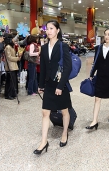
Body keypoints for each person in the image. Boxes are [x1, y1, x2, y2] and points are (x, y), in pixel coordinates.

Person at [34, 20, 72, 155]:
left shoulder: (63, 46)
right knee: (45, 112)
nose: (48, 31)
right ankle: (44, 141)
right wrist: (41, 85)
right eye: (47, 29)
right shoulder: (43, 48)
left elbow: (68, 68)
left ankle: (64, 133)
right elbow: (43, 68)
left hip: (60, 83)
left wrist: (61, 85)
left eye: (51, 28)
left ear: (57, 30)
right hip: (49, 83)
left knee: (64, 111)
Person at [86, 28, 109, 130]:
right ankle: (94, 120)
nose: (106, 36)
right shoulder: (98, 48)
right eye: (105, 34)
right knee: (97, 98)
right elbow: (96, 62)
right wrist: (92, 74)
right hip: (100, 76)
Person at [4, 33, 20, 100]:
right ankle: (9, 94)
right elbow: (9, 57)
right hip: (10, 66)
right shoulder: (8, 47)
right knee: (11, 81)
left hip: (13, 65)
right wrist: (17, 58)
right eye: (13, 38)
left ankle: (13, 93)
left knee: (13, 81)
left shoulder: (11, 47)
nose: (14, 40)